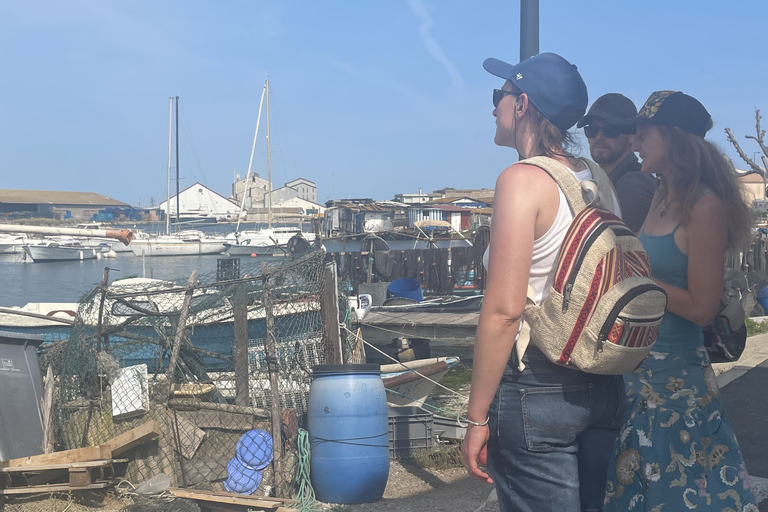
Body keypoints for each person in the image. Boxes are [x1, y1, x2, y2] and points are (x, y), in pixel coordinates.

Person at [461, 52, 624, 512]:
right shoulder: (599, 180)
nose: (494, 106)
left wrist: (476, 419)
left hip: (539, 384)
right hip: (604, 381)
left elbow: (504, 311)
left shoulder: (521, 181)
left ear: (523, 104)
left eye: (500, 95)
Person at [604, 91, 757, 511]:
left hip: (676, 386)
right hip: (639, 375)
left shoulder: (705, 206)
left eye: (643, 132)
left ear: (673, 137)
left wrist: (641, 279)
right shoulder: (660, 193)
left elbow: (702, 308)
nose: (634, 142)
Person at [577, 93, 656, 233]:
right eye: (592, 130)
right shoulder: (604, 182)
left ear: (631, 136)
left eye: (610, 130)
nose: (600, 137)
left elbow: (631, 251)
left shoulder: (631, 185)